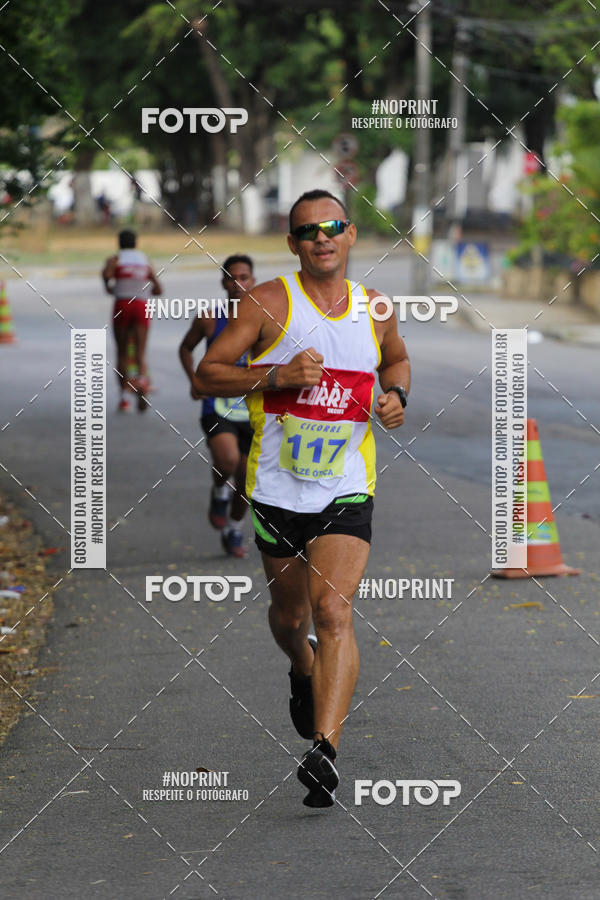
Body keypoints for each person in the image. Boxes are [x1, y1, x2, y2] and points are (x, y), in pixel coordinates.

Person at [195, 189, 410, 807]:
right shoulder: (267, 303)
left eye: (334, 226)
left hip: (346, 484)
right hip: (276, 490)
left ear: (350, 237)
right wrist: (275, 376)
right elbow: (207, 373)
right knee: (292, 620)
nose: (323, 237)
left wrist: (397, 397)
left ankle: (325, 752)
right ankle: (299, 664)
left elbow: (395, 361)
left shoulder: (375, 308)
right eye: (308, 230)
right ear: (293, 244)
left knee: (334, 613)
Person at [179, 255, 256, 557]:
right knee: (226, 461)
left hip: (252, 410)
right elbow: (185, 348)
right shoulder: (210, 318)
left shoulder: (266, 321)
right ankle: (218, 491)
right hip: (217, 405)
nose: (238, 284)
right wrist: (194, 382)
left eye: (244, 277)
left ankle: (233, 528)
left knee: (247, 480)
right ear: (224, 282)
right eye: (232, 277)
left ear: (253, 281)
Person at [102, 229, 162, 412]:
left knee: (121, 352)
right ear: (136, 242)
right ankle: (142, 387)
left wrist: (110, 287)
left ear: (118, 243)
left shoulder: (116, 259)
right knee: (140, 352)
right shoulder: (145, 260)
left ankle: (124, 398)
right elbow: (159, 289)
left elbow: (107, 276)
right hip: (141, 306)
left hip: (122, 304)